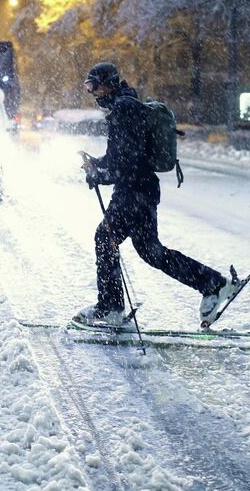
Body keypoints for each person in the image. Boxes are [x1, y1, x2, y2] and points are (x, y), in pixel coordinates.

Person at [78, 62, 241, 327]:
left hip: (133, 193)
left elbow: (129, 162)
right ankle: (213, 284)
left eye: (92, 86)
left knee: (105, 237)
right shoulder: (126, 105)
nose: (92, 93)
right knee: (151, 252)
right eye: (88, 87)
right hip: (141, 191)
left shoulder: (123, 109)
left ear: (107, 83)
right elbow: (121, 155)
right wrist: (98, 163)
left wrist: (102, 176)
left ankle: (110, 308)